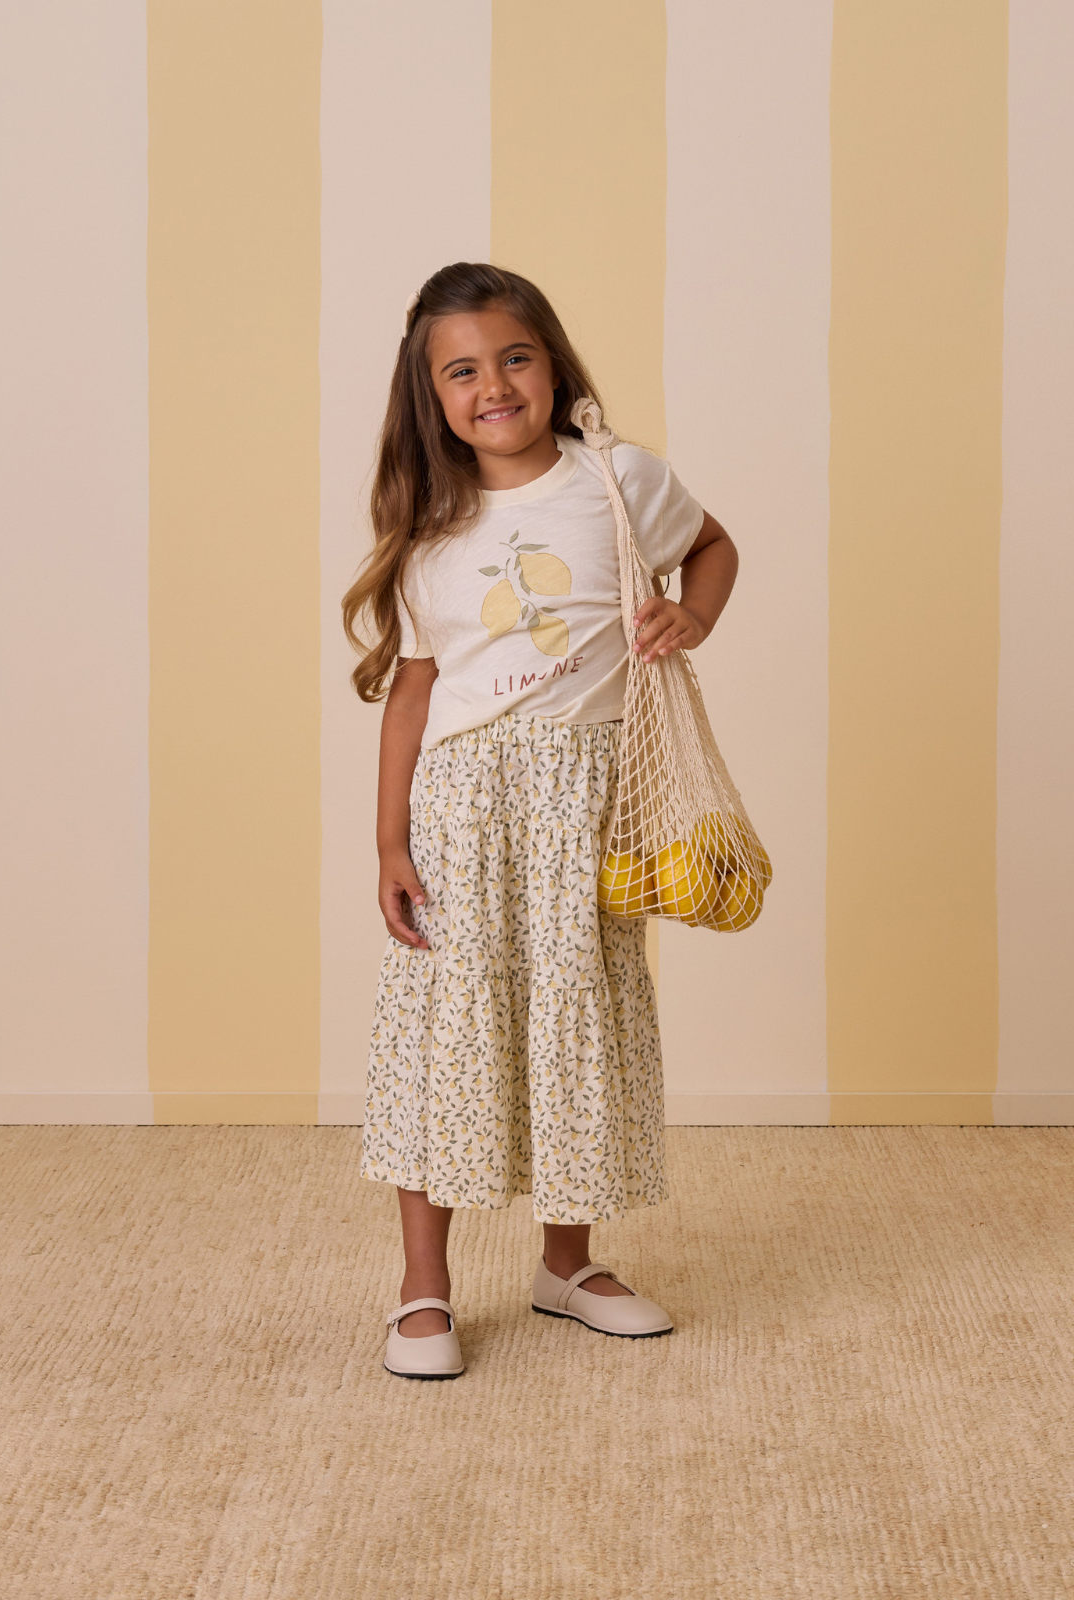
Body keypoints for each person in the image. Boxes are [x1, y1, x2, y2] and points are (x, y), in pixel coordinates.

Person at [342, 262, 738, 1378]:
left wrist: (688, 615)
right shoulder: (427, 521)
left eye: (514, 357)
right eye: (461, 371)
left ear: (552, 360)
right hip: (465, 812)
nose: (494, 385)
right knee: (446, 1035)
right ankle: (425, 1287)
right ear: (432, 396)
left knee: (581, 1021)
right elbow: (416, 686)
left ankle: (568, 1262)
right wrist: (388, 844)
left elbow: (714, 545)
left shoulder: (616, 479)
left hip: (591, 803)